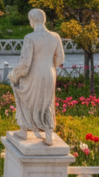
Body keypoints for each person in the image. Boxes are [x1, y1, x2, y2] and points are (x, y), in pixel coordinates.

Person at [9, 9, 66, 146]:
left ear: (32, 20)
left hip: (33, 72)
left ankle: (24, 129)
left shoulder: (30, 38)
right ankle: (48, 133)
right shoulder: (55, 36)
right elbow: (60, 58)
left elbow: (25, 63)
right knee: (47, 102)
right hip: (49, 72)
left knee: (22, 92)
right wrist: (49, 64)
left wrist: (14, 75)